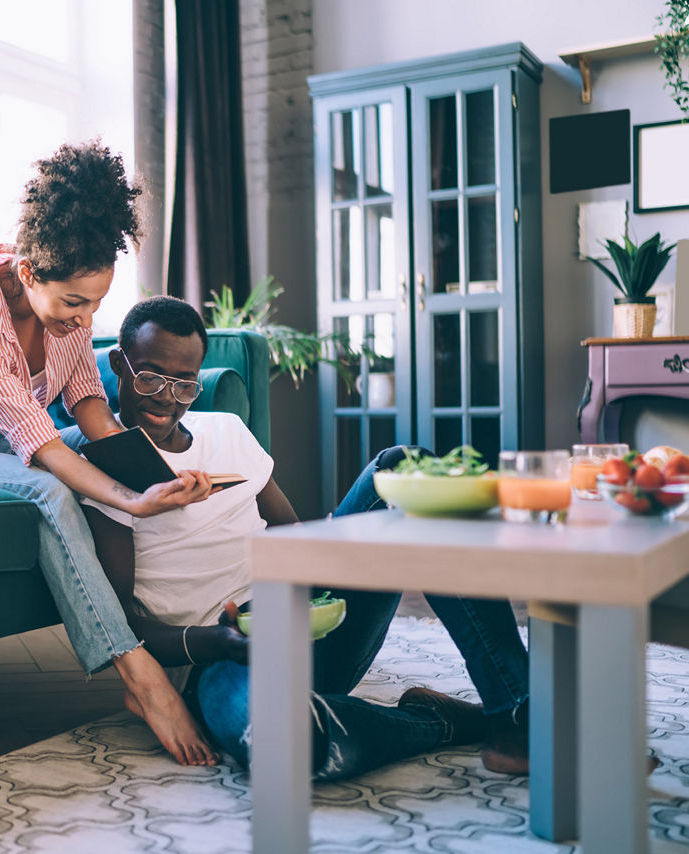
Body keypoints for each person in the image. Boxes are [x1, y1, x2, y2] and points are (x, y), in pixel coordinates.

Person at [81, 296, 533, 778]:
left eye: (185, 384)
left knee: (402, 468)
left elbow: (297, 540)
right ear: (119, 366)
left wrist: (337, 567)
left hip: (311, 624)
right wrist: (219, 641)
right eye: (150, 377)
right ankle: (437, 722)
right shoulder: (111, 474)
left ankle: (513, 712)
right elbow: (123, 624)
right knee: (288, 742)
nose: (166, 398)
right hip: (220, 663)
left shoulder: (228, 432)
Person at [0, 141, 220, 766]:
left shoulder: (66, 317)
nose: (86, 318)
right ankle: (138, 672)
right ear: (27, 272)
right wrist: (130, 499)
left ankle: (169, 604)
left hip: (9, 447)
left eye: (97, 303)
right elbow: (40, 448)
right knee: (50, 487)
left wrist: (153, 474)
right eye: (75, 302)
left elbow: (89, 406)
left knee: (102, 464)